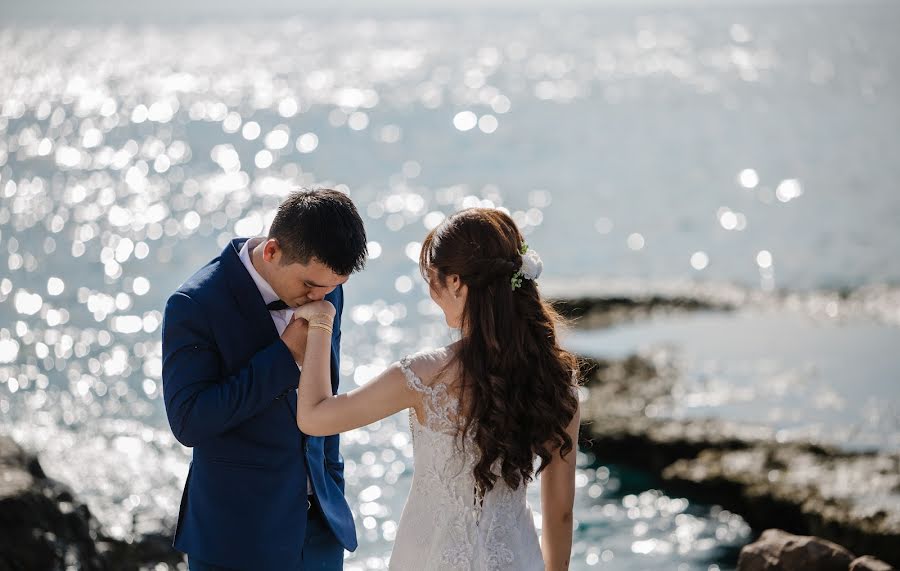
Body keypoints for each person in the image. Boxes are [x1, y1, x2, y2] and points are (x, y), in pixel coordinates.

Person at [294, 207, 580, 570]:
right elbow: (561, 514)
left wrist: (321, 322)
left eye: (433, 278)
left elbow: (314, 417)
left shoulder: (425, 376)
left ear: (457, 282)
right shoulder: (556, 382)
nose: (432, 290)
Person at [161, 189, 367, 570]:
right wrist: (285, 355)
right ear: (272, 251)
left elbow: (325, 397)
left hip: (320, 535)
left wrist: (332, 482)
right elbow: (189, 421)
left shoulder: (327, 293)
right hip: (236, 541)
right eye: (309, 285)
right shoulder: (194, 305)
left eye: (333, 287)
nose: (320, 298)